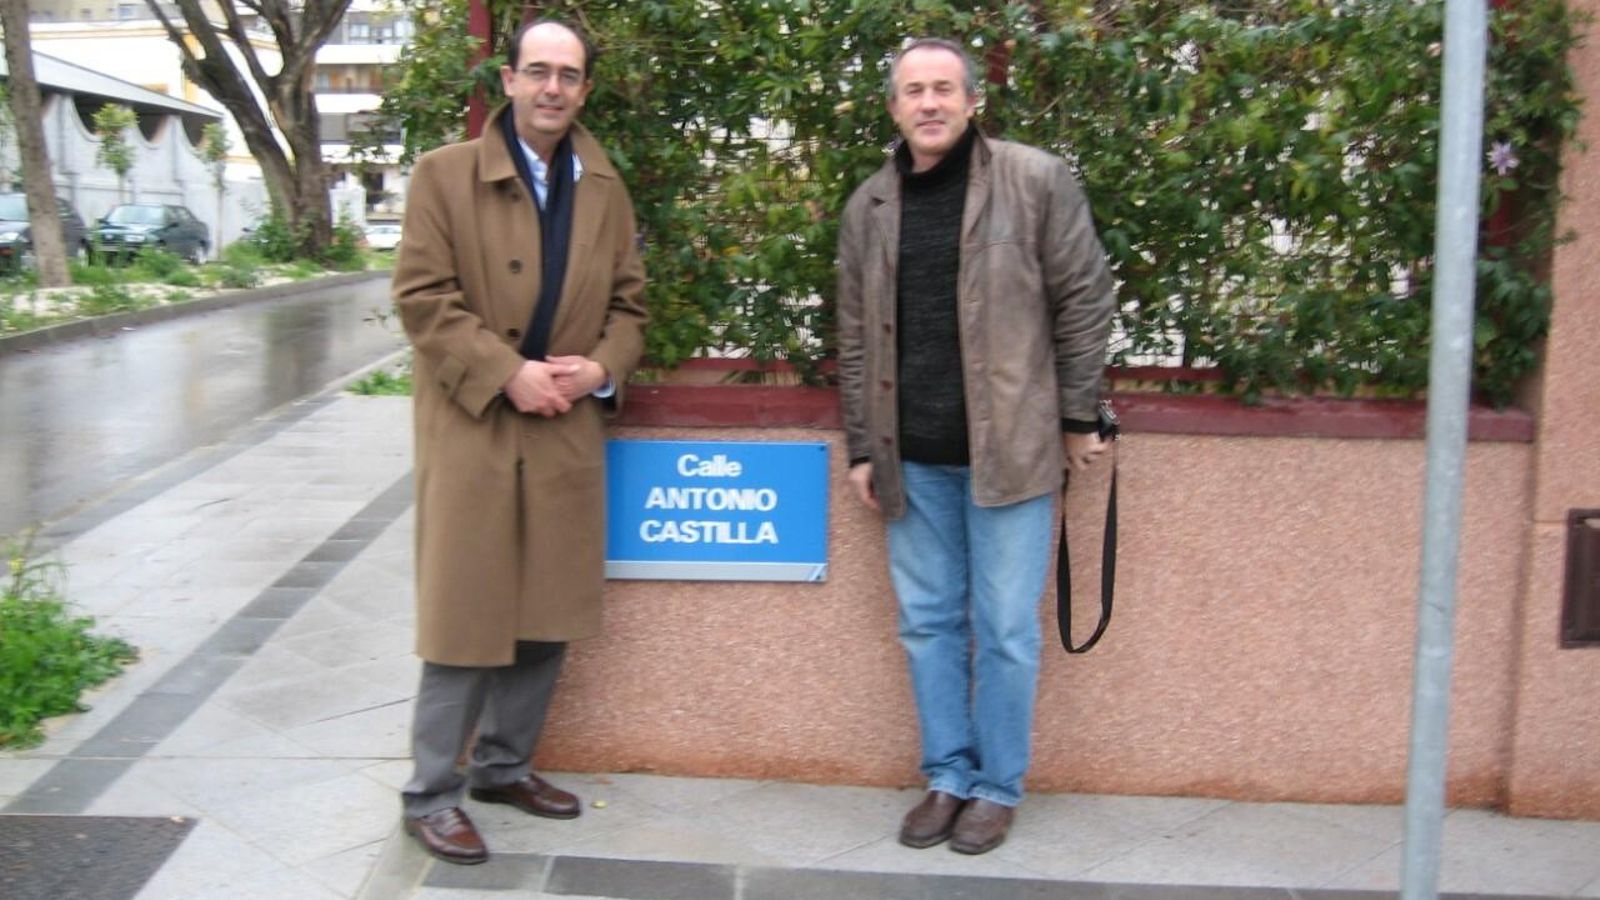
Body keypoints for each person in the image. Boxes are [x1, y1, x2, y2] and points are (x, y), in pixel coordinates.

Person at [836, 37, 1115, 855]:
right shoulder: (868, 206)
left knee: (1004, 629)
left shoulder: (1035, 181)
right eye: (913, 90)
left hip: (1012, 454)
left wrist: (1076, 416)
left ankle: (996, 787)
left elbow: (1085, 297)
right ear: (894, 107)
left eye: (943, 89)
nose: (929, 103)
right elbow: (855, 337)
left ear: (970, 100)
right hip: (911, 459)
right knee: (927, 624)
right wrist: (863, 446)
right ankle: (947, 776)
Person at [391, 18, 648, 865]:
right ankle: (431, 795)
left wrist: (599, 370)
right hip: (473, 424)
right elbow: (423, 299)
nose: (551, 88)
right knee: (465, 613)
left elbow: (630, 307)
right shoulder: (443, 174)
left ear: (585, 90)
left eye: (567, 75)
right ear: (507, 80)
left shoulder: (605, 187)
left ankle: (504, 768)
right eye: (537, 71)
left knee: (546, 611)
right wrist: (507, 372)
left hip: (563, 425)